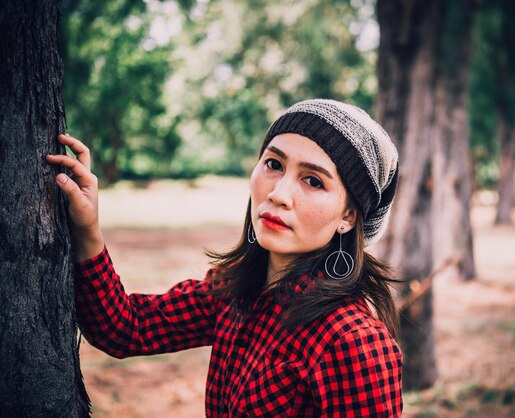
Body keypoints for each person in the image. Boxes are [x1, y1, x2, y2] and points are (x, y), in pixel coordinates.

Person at [46, 99, 403, 416]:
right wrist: (88, 227)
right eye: (274, 164)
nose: (279, 194)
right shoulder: (233, 291)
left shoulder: (352, 342)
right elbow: (125, 329)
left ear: (348, 217)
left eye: (313, 181)